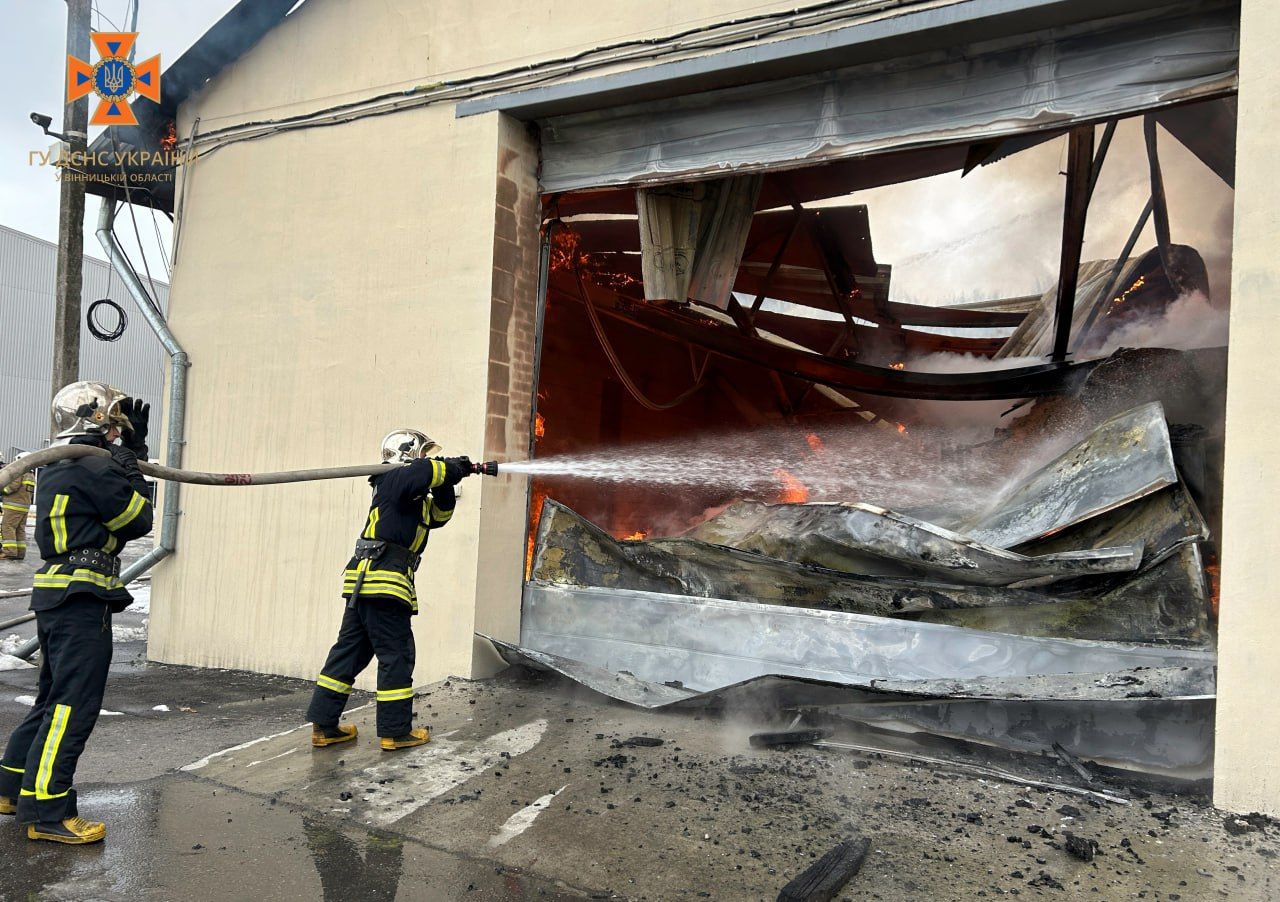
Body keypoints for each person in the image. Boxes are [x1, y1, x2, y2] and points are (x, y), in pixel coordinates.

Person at [0, 382, 152, 844]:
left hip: (58, 592)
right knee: (73, 705)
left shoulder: (61, 460)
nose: (119, 427)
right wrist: (134, 467)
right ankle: (50, 812)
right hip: (82, 595)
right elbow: (139, 520)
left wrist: (130, 455)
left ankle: (10, 788)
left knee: (52, 698)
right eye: (116, 420)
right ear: (99, 420)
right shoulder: (93, 463)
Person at [306, 429, 473, 751]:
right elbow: (424, 472)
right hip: (384, 579)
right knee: (396, 655)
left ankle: (325, 727)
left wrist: (448, 481)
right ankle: (396, 732)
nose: (429, 460)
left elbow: (439, 516)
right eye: (424, 454)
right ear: (408, 456)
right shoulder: (393, 479)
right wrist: (451, 466)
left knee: (349, 652)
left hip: (367, 581)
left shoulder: (406, 497)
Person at [1, 453, 36, 561]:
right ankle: (20, 553)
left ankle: (9, 552)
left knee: (8, 527)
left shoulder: (19, 472)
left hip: (13, 506)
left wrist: (2, 490)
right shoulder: (31, 474)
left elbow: (12, 486)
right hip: (24, 506)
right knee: (20, 530)